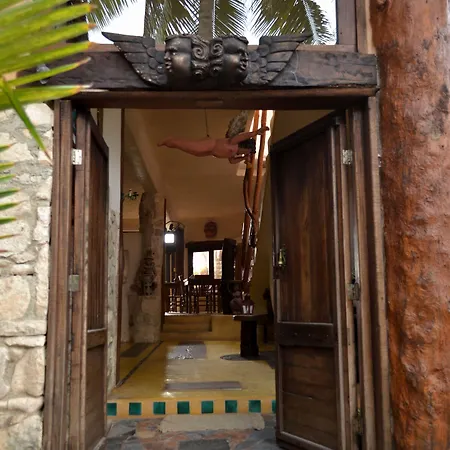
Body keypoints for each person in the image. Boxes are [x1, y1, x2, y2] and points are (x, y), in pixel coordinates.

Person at [158, 126, 269, 164]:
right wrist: (255, 133)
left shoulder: (233, 154)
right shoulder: (234, 143)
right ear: (245, 146)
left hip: (210, 152)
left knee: (192, 151)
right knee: (190, 146)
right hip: (211, 145)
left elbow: (232, 161)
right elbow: (242, 136)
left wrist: (244, 158)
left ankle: (171, 143)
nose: (244, 153)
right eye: (246, 152)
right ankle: (170, 140)